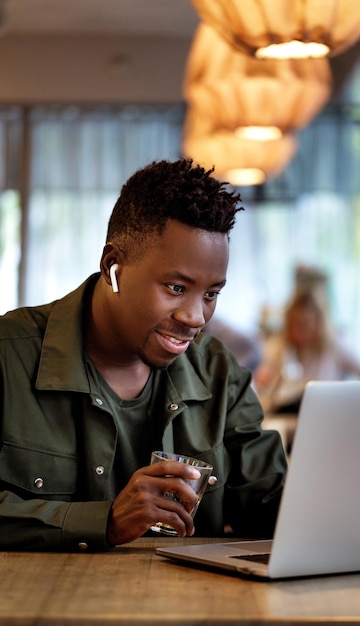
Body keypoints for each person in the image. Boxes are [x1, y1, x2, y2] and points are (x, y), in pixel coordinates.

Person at [0, 158, 287, 551]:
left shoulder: (219, 371)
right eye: (174, 287)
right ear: (112, 266)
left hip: (193, 610)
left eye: (211, 294)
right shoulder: (7, 357)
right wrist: (106, 521)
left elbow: (269, 504)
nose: (195, 317)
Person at [255, 289, 360, 414]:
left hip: (327, 417)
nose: (298, 331)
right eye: (294, 323)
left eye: (305, 324)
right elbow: (261, 387)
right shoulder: (278, 346)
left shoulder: (335, 346)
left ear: (319, 323)